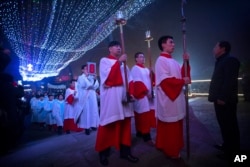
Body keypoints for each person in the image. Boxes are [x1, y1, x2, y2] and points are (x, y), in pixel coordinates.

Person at [95, 41, 139, 166]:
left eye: (120, 46)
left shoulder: (125, 66)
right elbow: (108, 79)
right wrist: (119, 62)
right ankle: (103, 153)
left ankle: (125, 152)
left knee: (125, 126)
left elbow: (130, 81)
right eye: (116, 46)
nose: (119, 48)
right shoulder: (104, 61)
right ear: (110, 49)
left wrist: (131, 93)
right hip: (111, 100)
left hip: (124, 100)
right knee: (108, 124)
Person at [155, 35, 191, 159]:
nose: (173, 44)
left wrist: (186, 62)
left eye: (174, 42)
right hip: (168, 98)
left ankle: (174, 146)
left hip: (176, 97)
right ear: (163, 44)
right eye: (171, 42)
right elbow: (165, 81)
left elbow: (182, 75)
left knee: (176, 125)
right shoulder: (161, 60)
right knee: (170, 126)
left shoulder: (174, 61)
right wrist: (182, 82)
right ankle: (171, 150)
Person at [208, 41, 240, 158]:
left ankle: (233, 152)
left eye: (215, 46)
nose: (213, 49)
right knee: (224, 125)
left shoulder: (230, 60)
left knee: (230, 126)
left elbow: (229, 81)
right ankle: (227, 146)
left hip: (225, 100)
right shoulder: (221, 61)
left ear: (223, 48)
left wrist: (222, 97)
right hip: (219, 100)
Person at [130, 52, 156, 145]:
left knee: (144, 115)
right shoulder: (135, 68)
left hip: (147, 95)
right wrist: (145, 92)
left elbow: (152, 80)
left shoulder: (146, 69)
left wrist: (152, 72)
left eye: (143, 57)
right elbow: (137, 82)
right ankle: (146, 136)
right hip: (142, 95)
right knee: (143, 116)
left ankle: (140, 132)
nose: (143, 58)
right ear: (136, 59)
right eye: (140, 57)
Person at [75, 64, 99, 135]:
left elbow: (96, 86)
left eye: (87, 69)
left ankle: (93, 125)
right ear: (82, 70)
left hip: (92, 96)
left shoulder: (91, 77)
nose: (87, 70)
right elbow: (84, 85)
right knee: (86, 112)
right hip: (85, 97)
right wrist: (88, 81)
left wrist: (95, 79)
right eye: (85, 69)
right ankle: (87, 127)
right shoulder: (80, 77)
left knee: (93, 110)